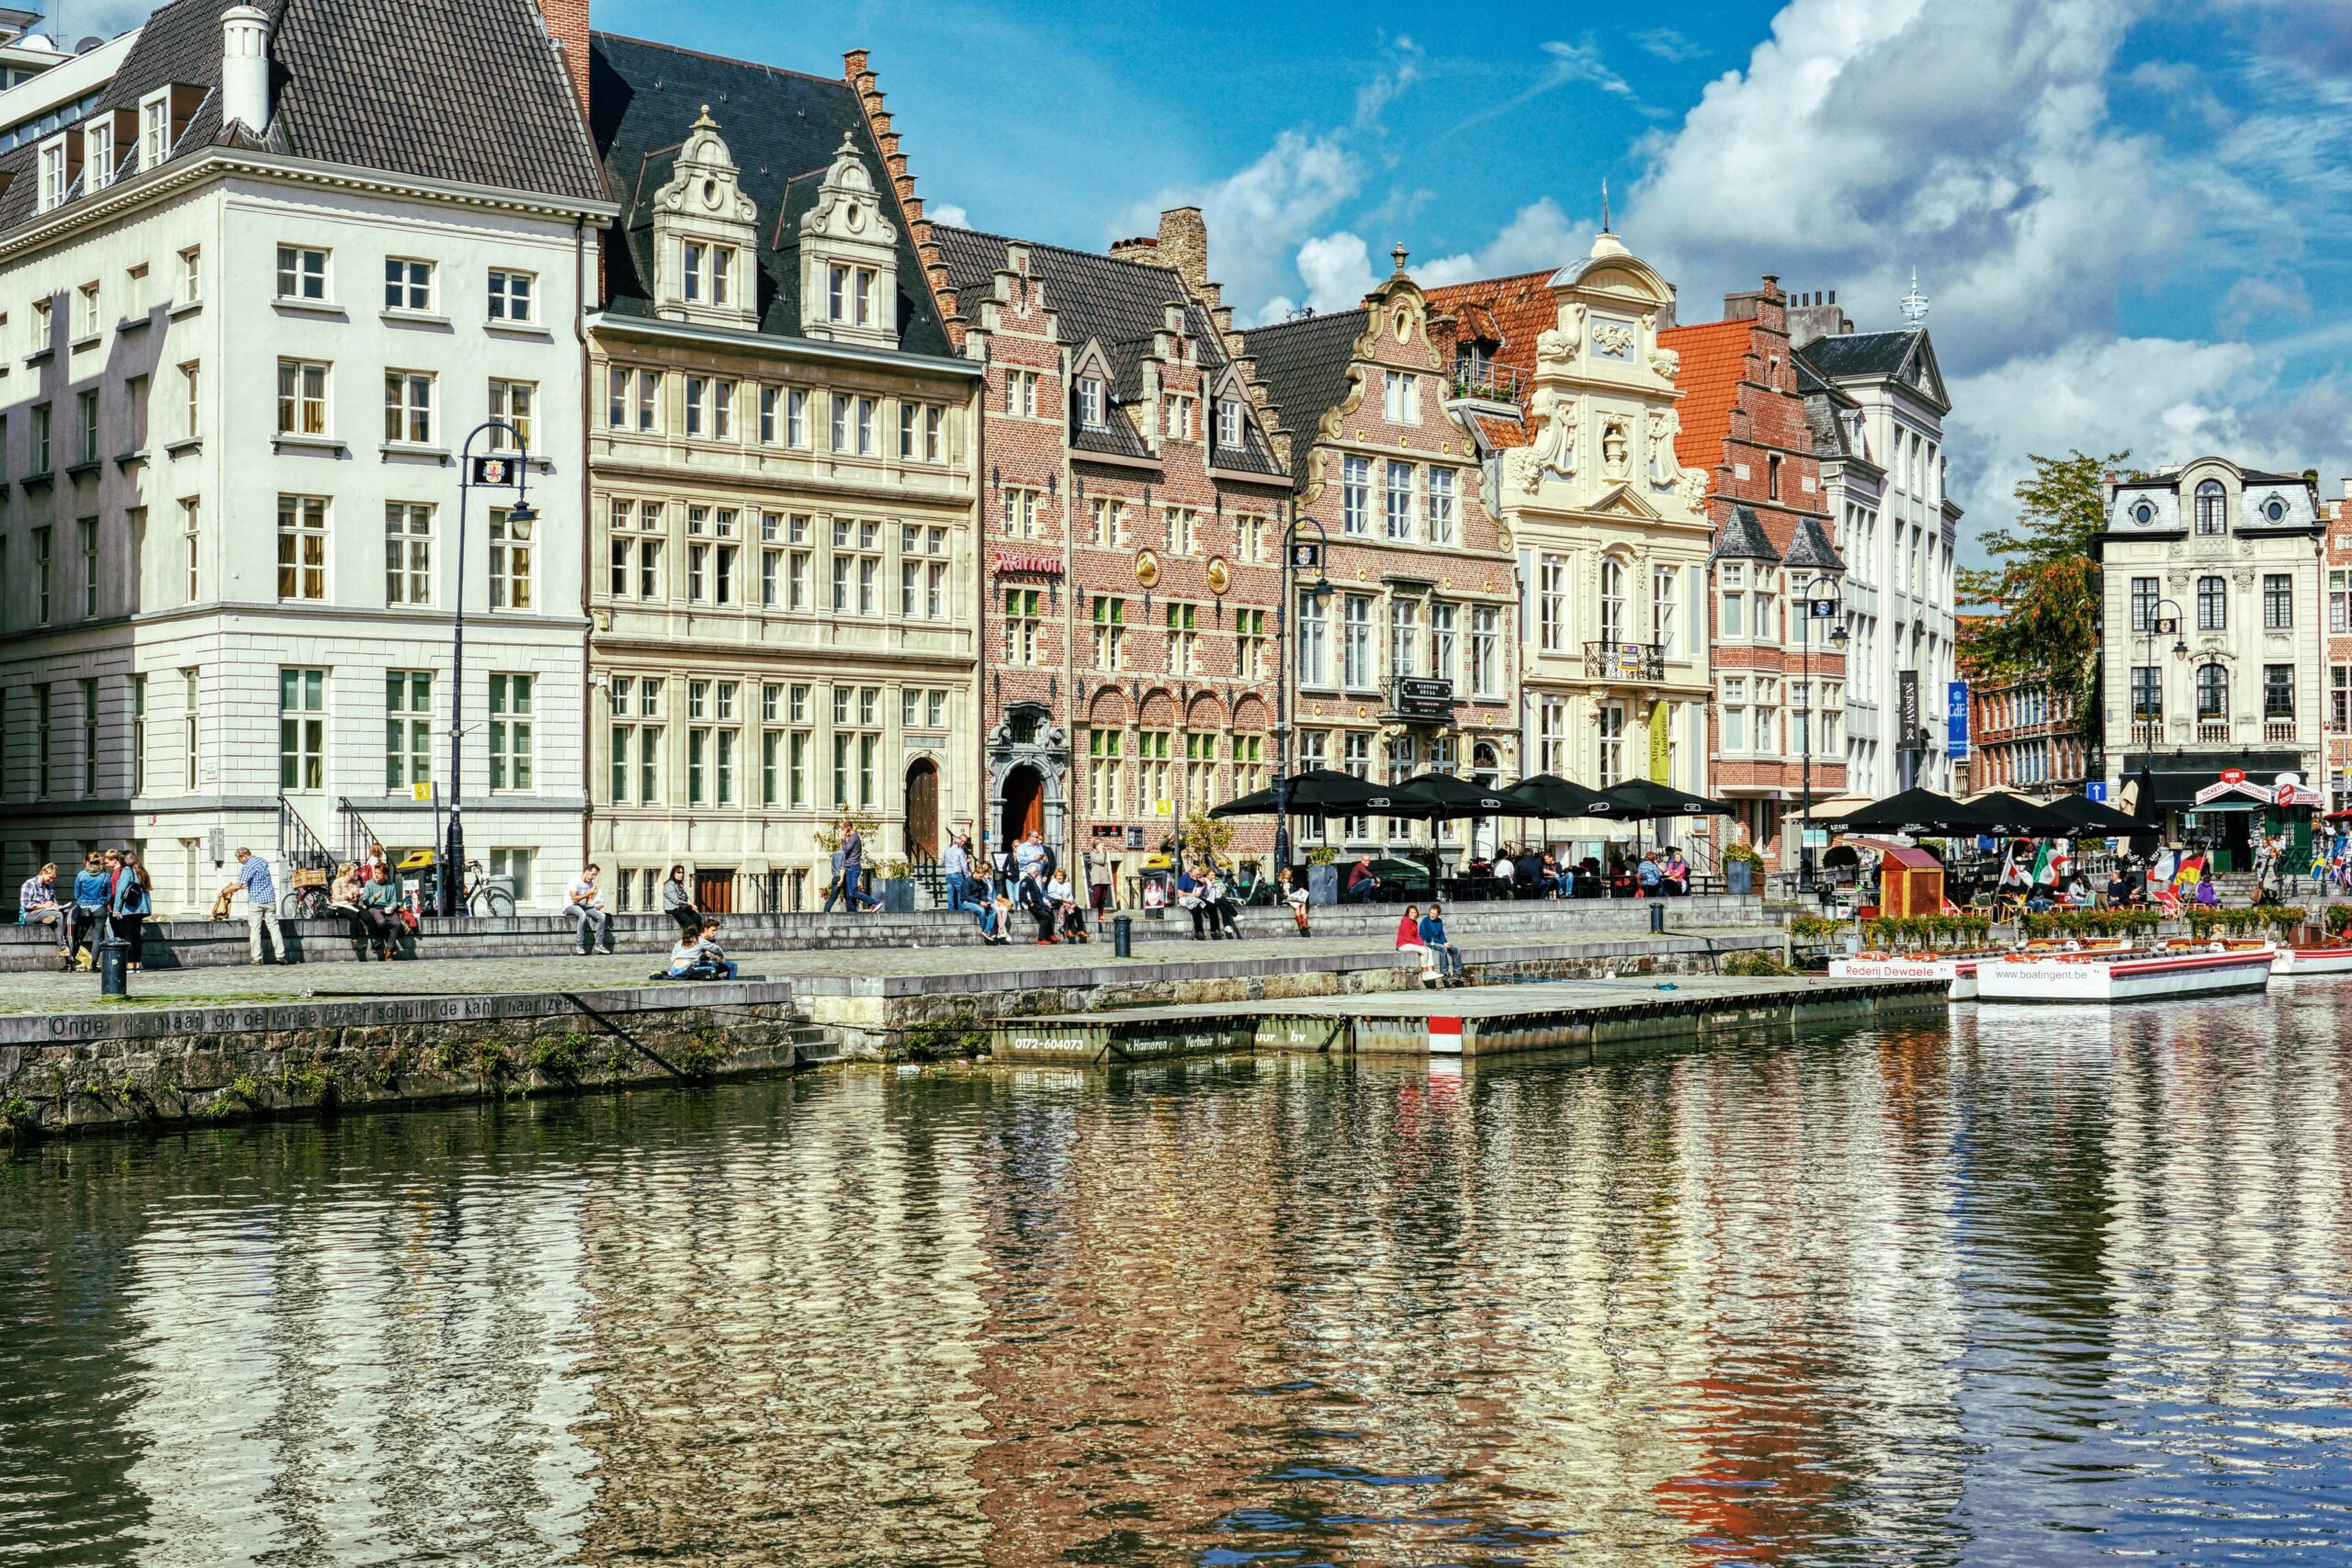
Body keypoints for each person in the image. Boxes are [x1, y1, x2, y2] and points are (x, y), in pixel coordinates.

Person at [232, 847, 287, 964]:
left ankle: (256, 958)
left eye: (239, 859)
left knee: (255, 929)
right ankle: (280, 955)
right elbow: (259, 880)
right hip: (269, 899)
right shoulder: (262, 861)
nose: (240, 862)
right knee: (274, 927)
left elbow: (238, 885)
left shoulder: (247, 866)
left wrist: (224, 892)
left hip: (256, 901)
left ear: (244, 856)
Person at [826, 821, 881, 913]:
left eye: (843, 829)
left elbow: (846, 850)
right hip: (850, 868)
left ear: (848, 828)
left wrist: (843, 838)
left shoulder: (854, 837)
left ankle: (874, 902)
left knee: (852, 892)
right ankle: (853, 913)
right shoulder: (852, 837)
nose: (842, 831)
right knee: (849, 893)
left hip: (853, 867)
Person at [111, 850, 153, 971]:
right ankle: (137, 963)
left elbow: (121, 890)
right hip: (140, 908)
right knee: (136, 936)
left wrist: (116, 908)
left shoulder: (127, 871)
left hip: (128, 908)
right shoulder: (141, 870)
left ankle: (129, 963)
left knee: (128, 936)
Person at [18, 863, 68, 964]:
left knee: (66, 912)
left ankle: (47, 919)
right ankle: (62, 946)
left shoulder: (49, 886)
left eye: (53, 878)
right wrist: (45, 906)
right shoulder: (29, 884)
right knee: (58, 915)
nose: (51, 880)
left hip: (46, 912)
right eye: (50, 877)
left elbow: (53, 902)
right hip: (30, 914)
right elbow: (25, 904)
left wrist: (57, 907)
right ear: (44, 872)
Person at [68, 852, 110, 966]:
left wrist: (83, 902)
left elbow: (77, 893)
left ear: (86, 862)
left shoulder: (81, 875)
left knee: (78, 936)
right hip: (100, 908)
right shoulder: (105, 875)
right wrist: (103, 901)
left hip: (84, 908)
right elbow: (109, 894)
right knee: (97, 938)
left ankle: (70, 962)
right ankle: (94, 965)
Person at [565, 863, 616, 955]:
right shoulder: (574, 881)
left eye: (595, 875)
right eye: (592, 874)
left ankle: (599, 944)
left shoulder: (590, 883)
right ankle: (580, 944)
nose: (594, 877)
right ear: (587, 872)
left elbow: (589, 901)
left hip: (583, 905)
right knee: (583, 915)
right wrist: (588, 893)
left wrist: (596, 905)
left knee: (602, 916)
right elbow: (574, 898)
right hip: (571, 905)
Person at [665, 918, 738, 980]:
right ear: (705, 929)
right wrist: (720, 956)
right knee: (716, 969)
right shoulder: (700, 940)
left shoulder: (680, 942)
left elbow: (674, 957)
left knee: (723, 966)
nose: (715, 933)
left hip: (674, 969)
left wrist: (709, 956)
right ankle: (730, 984)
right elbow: (717, 949)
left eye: (716, 930)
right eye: (713, 930)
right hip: (687, 968)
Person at [357, 866, 403, 959]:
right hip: (374, 907)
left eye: (379, 873)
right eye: (376, 873)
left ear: (385, 875)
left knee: (397, 924)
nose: (376, 875)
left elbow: (394, 900)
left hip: (387, 908)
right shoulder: (369, 884)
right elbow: (365, 901)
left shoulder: (391, 884)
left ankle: (389, 948)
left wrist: (392, 906)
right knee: (381, 922)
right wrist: (374, 898)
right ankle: (391, 946)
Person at [1419, 902, 1464, 983]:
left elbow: (1441, 934)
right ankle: (1445, 973)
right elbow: (1429, 937)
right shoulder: (1426, 921)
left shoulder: (1439, 921)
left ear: (1438, 915)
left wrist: (1446, 942)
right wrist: (1443, 944)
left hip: (1438, 941)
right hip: (1427, 942)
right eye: (1431, 913)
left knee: (1456, 949)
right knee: (1443, 948)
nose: (1432, 915)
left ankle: (1458, 974)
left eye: (1434, 914)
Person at [1395, 902, 1435, 985]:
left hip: (1411, 943)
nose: (1414, 914)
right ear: (1408, 913)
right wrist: (1420, 946)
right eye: (1412, 912)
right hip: (1403, 944)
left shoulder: (1415, 923)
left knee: (1429, 949)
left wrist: (1422, 944)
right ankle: (1424, 973)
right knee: (1424, 951)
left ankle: (1431, 971)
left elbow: (1417, 936)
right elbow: (1408, 938)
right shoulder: (1405, 922)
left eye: (1415, 912)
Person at [662, 864, 700, 935]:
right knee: (689, 922)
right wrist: (689, 904)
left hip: (681, 907)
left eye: (682, 872)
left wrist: (692, 905)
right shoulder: (669, 884)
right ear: (673, 873)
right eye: (679, 872)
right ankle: (687, 939)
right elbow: (675, 900)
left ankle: (697, 936)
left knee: (697, 918)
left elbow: (685, 897)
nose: (681, 874)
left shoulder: (679, 884)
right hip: (673, 908)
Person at [1278, 865, 1312, 936]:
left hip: (1292, 899)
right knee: (1297, 905)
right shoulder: (1279, 883)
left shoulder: (1291, 883)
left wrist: (1300, 890)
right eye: (1287, 875)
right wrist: (1286, 897)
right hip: (1285, 899)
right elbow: (1277, 894)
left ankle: (1304, 923)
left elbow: (1294, 891)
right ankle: (1301, 924)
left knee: (1303, 903)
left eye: (1290, 875)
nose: (1289, 877)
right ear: (1283, 874)